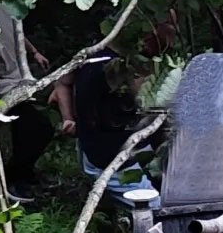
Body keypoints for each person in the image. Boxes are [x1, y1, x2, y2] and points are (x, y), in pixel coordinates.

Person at [51, 16, 177, 209]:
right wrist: (69, 118)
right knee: (156, 213)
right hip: (108, 157)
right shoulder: (102, 62)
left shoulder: (96, 56)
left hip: (137, 149)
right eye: (167, 30)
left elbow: (61, 84)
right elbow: (60, 84)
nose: (172, 40)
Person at [0, 1, 54, 204]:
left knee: (28, 130)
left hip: (16, 78)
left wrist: (33, 52)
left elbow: (16, 29)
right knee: (39, 129)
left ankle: (23, 176)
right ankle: (10, 180)